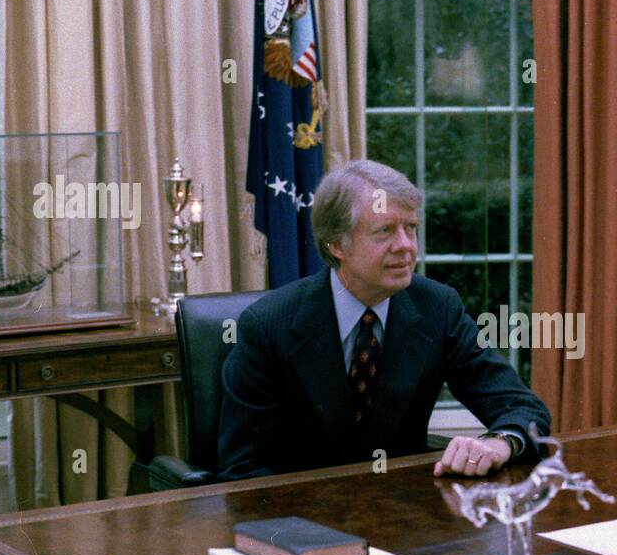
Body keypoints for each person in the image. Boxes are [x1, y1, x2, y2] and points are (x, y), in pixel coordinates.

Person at [216, 159, 551, 480]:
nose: (406, 246)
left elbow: (522, 407)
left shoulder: (438, 308)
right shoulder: (267, 326)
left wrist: (499, 443)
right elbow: (243, 469)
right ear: (336, 244)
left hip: (404, 516)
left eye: (411, 228)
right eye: (385, 231)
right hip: (305, 522)